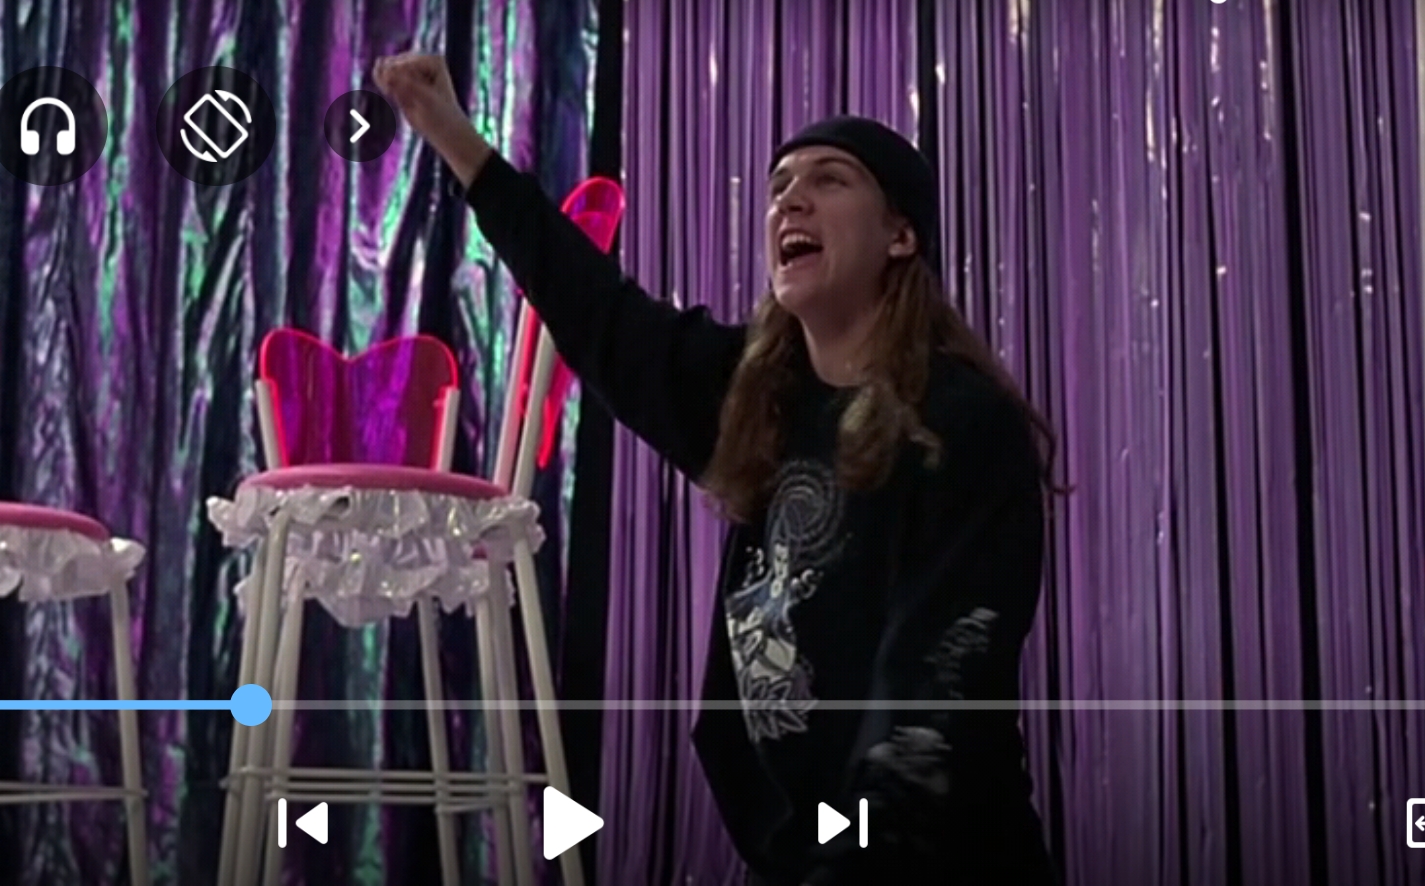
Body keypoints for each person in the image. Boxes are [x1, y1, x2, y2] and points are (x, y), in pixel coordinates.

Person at [375, 54, 1061, 885]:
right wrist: (454, 138)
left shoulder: (961, 425)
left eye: (830, 179)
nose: (791, 201)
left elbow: (930, 700)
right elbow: (595, 310)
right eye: (780, 186)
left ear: (901, 235)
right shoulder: (756, 400)